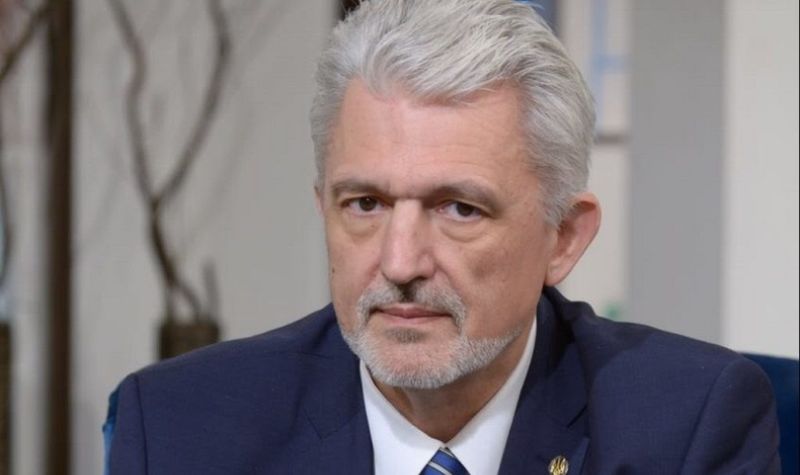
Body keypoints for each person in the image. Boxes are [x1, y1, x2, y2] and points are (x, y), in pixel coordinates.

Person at [106, 1, 780, 473]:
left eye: (459, 208)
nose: (400, 262)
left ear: (564, 238)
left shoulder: (688, 427)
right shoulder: (179, 428)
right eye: (365, 203)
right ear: (323, 208)